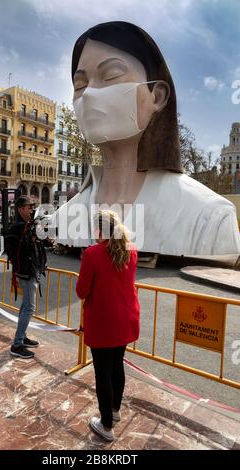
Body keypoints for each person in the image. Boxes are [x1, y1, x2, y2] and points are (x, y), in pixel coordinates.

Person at [52, 21, 240, 256]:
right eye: (80, 85)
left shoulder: (211, 218)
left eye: (110, 74)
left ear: (157, 96)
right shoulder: (64, 217)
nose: (88, 94)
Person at [76, 210, 140, 442]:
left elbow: (82, 290)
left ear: (100, 229)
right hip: (126, 318)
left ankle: (106, 426)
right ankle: (115, 410)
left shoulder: (93, 254)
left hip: (103, 320)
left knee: (102, 372)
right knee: (116, 366)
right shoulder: (130, 250)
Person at [7, 195, 52, 359]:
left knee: (25, 305)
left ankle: (22, 337)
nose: (32, 209)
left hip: (32, 270)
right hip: (27, 271)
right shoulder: (18, 227)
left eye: (32, 207)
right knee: (29, 308)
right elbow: (18, 250)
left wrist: (46, 239)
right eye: (29, 207)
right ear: (20, 209)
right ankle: (17, 344)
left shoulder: (28, 225)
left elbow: (40, 242)